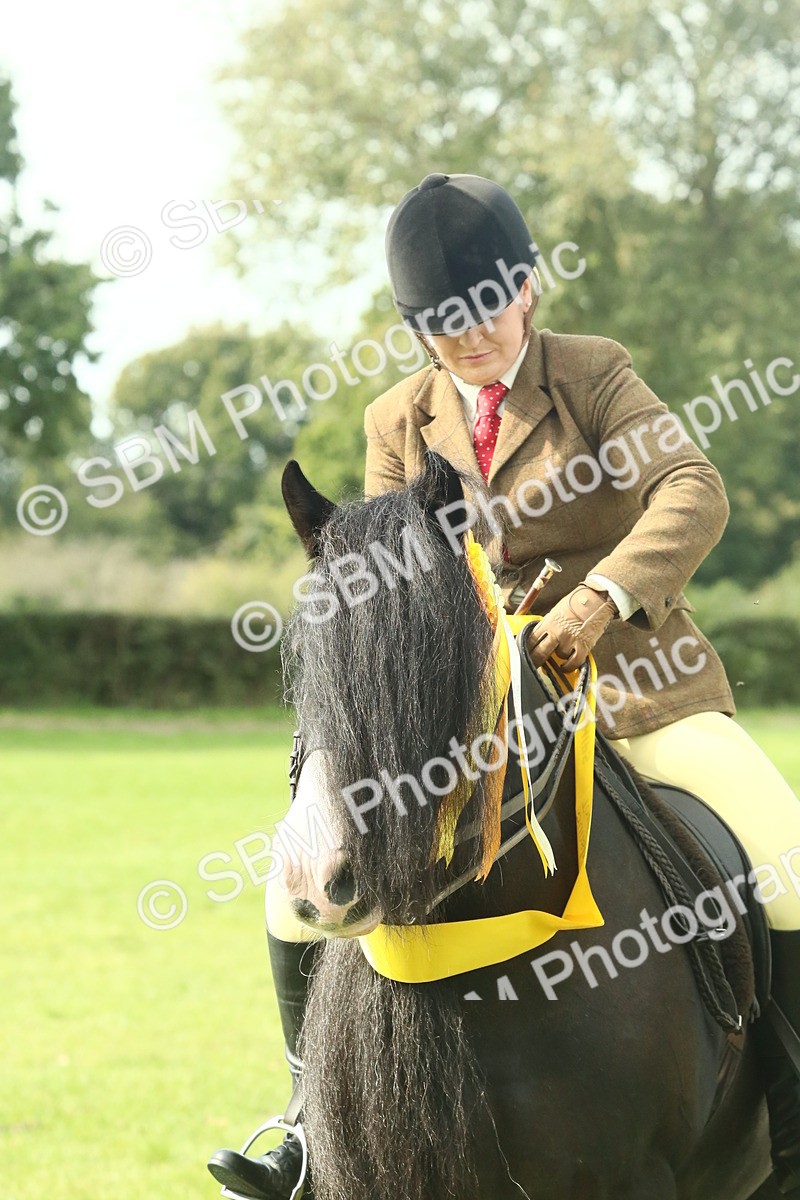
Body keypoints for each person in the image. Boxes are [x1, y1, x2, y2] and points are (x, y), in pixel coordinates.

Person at [208, 172, 800, 1198]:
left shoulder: (592, 374)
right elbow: (384, 582)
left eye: (485, 307)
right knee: (295, 880)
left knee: (783, 850)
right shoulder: (396, 418)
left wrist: (603, 596)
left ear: (526, 288)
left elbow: (690, 488)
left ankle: (789, 1106)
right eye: (441, 322)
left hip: (631, 686)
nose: (469, 335)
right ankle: (306, 1120)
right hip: (465, 715)